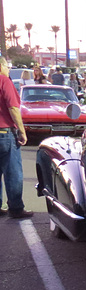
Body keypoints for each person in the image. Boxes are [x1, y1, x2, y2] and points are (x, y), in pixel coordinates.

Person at [0, 56, 32, 219]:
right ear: (2, 66)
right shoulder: (4, 81)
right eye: (7, 66)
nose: (9, 70)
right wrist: (21, 131)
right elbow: (13, 107)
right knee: (13, 172)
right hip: (4, 132)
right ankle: (16, 207)